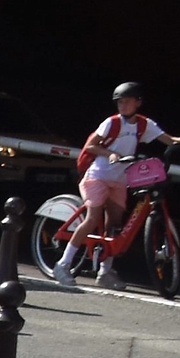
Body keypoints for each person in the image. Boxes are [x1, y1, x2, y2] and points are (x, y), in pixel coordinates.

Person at [56, 81, 172, 290]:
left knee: (115, 225)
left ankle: (105, 271)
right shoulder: (111, 123)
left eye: (127, 101)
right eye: (120, 102)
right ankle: (63, 264)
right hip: (98, 176)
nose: (123, 105)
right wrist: (110, 154)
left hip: (120, 179)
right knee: (93, 218)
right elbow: (91, 145)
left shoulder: (144, 125)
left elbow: (169, 140)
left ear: (138, 103)